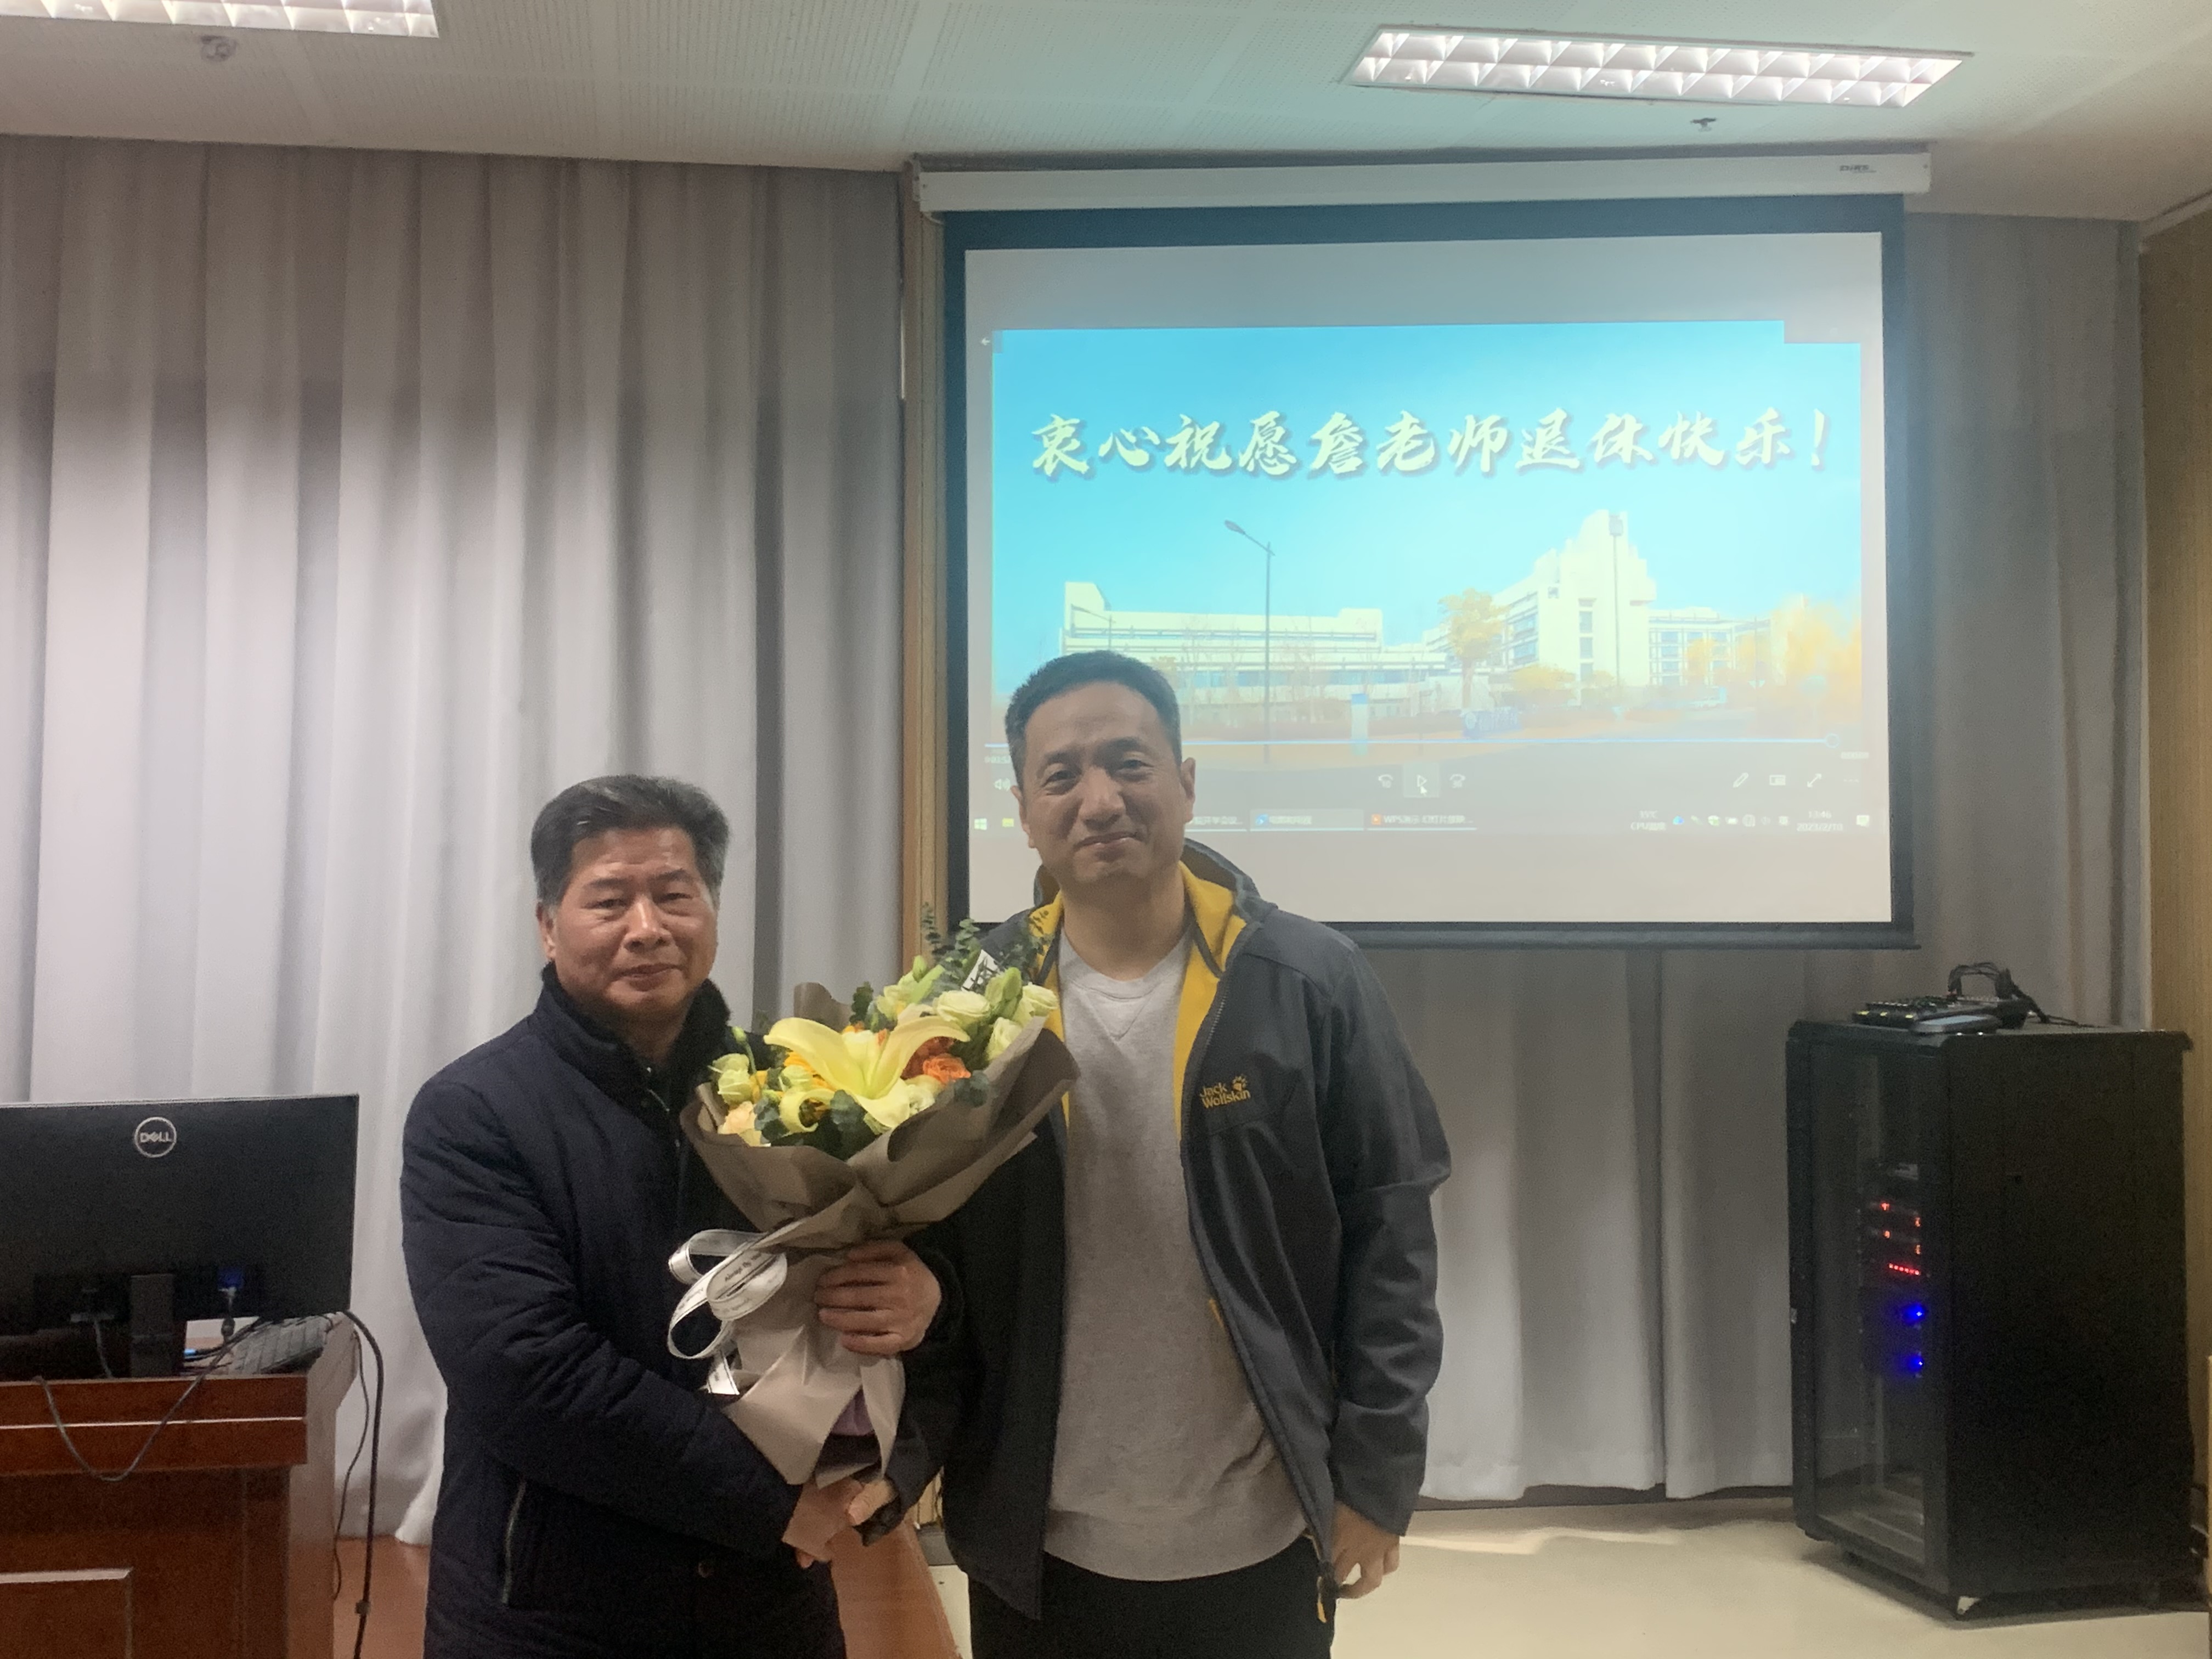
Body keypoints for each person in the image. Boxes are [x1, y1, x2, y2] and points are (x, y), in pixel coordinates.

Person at [887, 653, 1451, 1658]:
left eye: (1129, 763)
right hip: (1035, 1535)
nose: (1100, 799)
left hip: (1260, 1524)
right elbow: (928, 1246)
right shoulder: (968, 999)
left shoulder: (1307, 979)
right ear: (1024, 812)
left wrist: (1376, 1478)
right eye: (1062, 776)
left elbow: (1390, 1236)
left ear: (1186, 782)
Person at [401, 775, 943, 1659]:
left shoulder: (793, 1092)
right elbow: (526, 1374)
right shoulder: (475, 1112)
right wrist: (766, 1504)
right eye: (609, 900)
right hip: (553, 1609)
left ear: (713, 912)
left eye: (675, 895)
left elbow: (883, 1274)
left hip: (769, 1605)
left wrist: (919, 1300)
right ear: (547, 925)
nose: (648, 927)